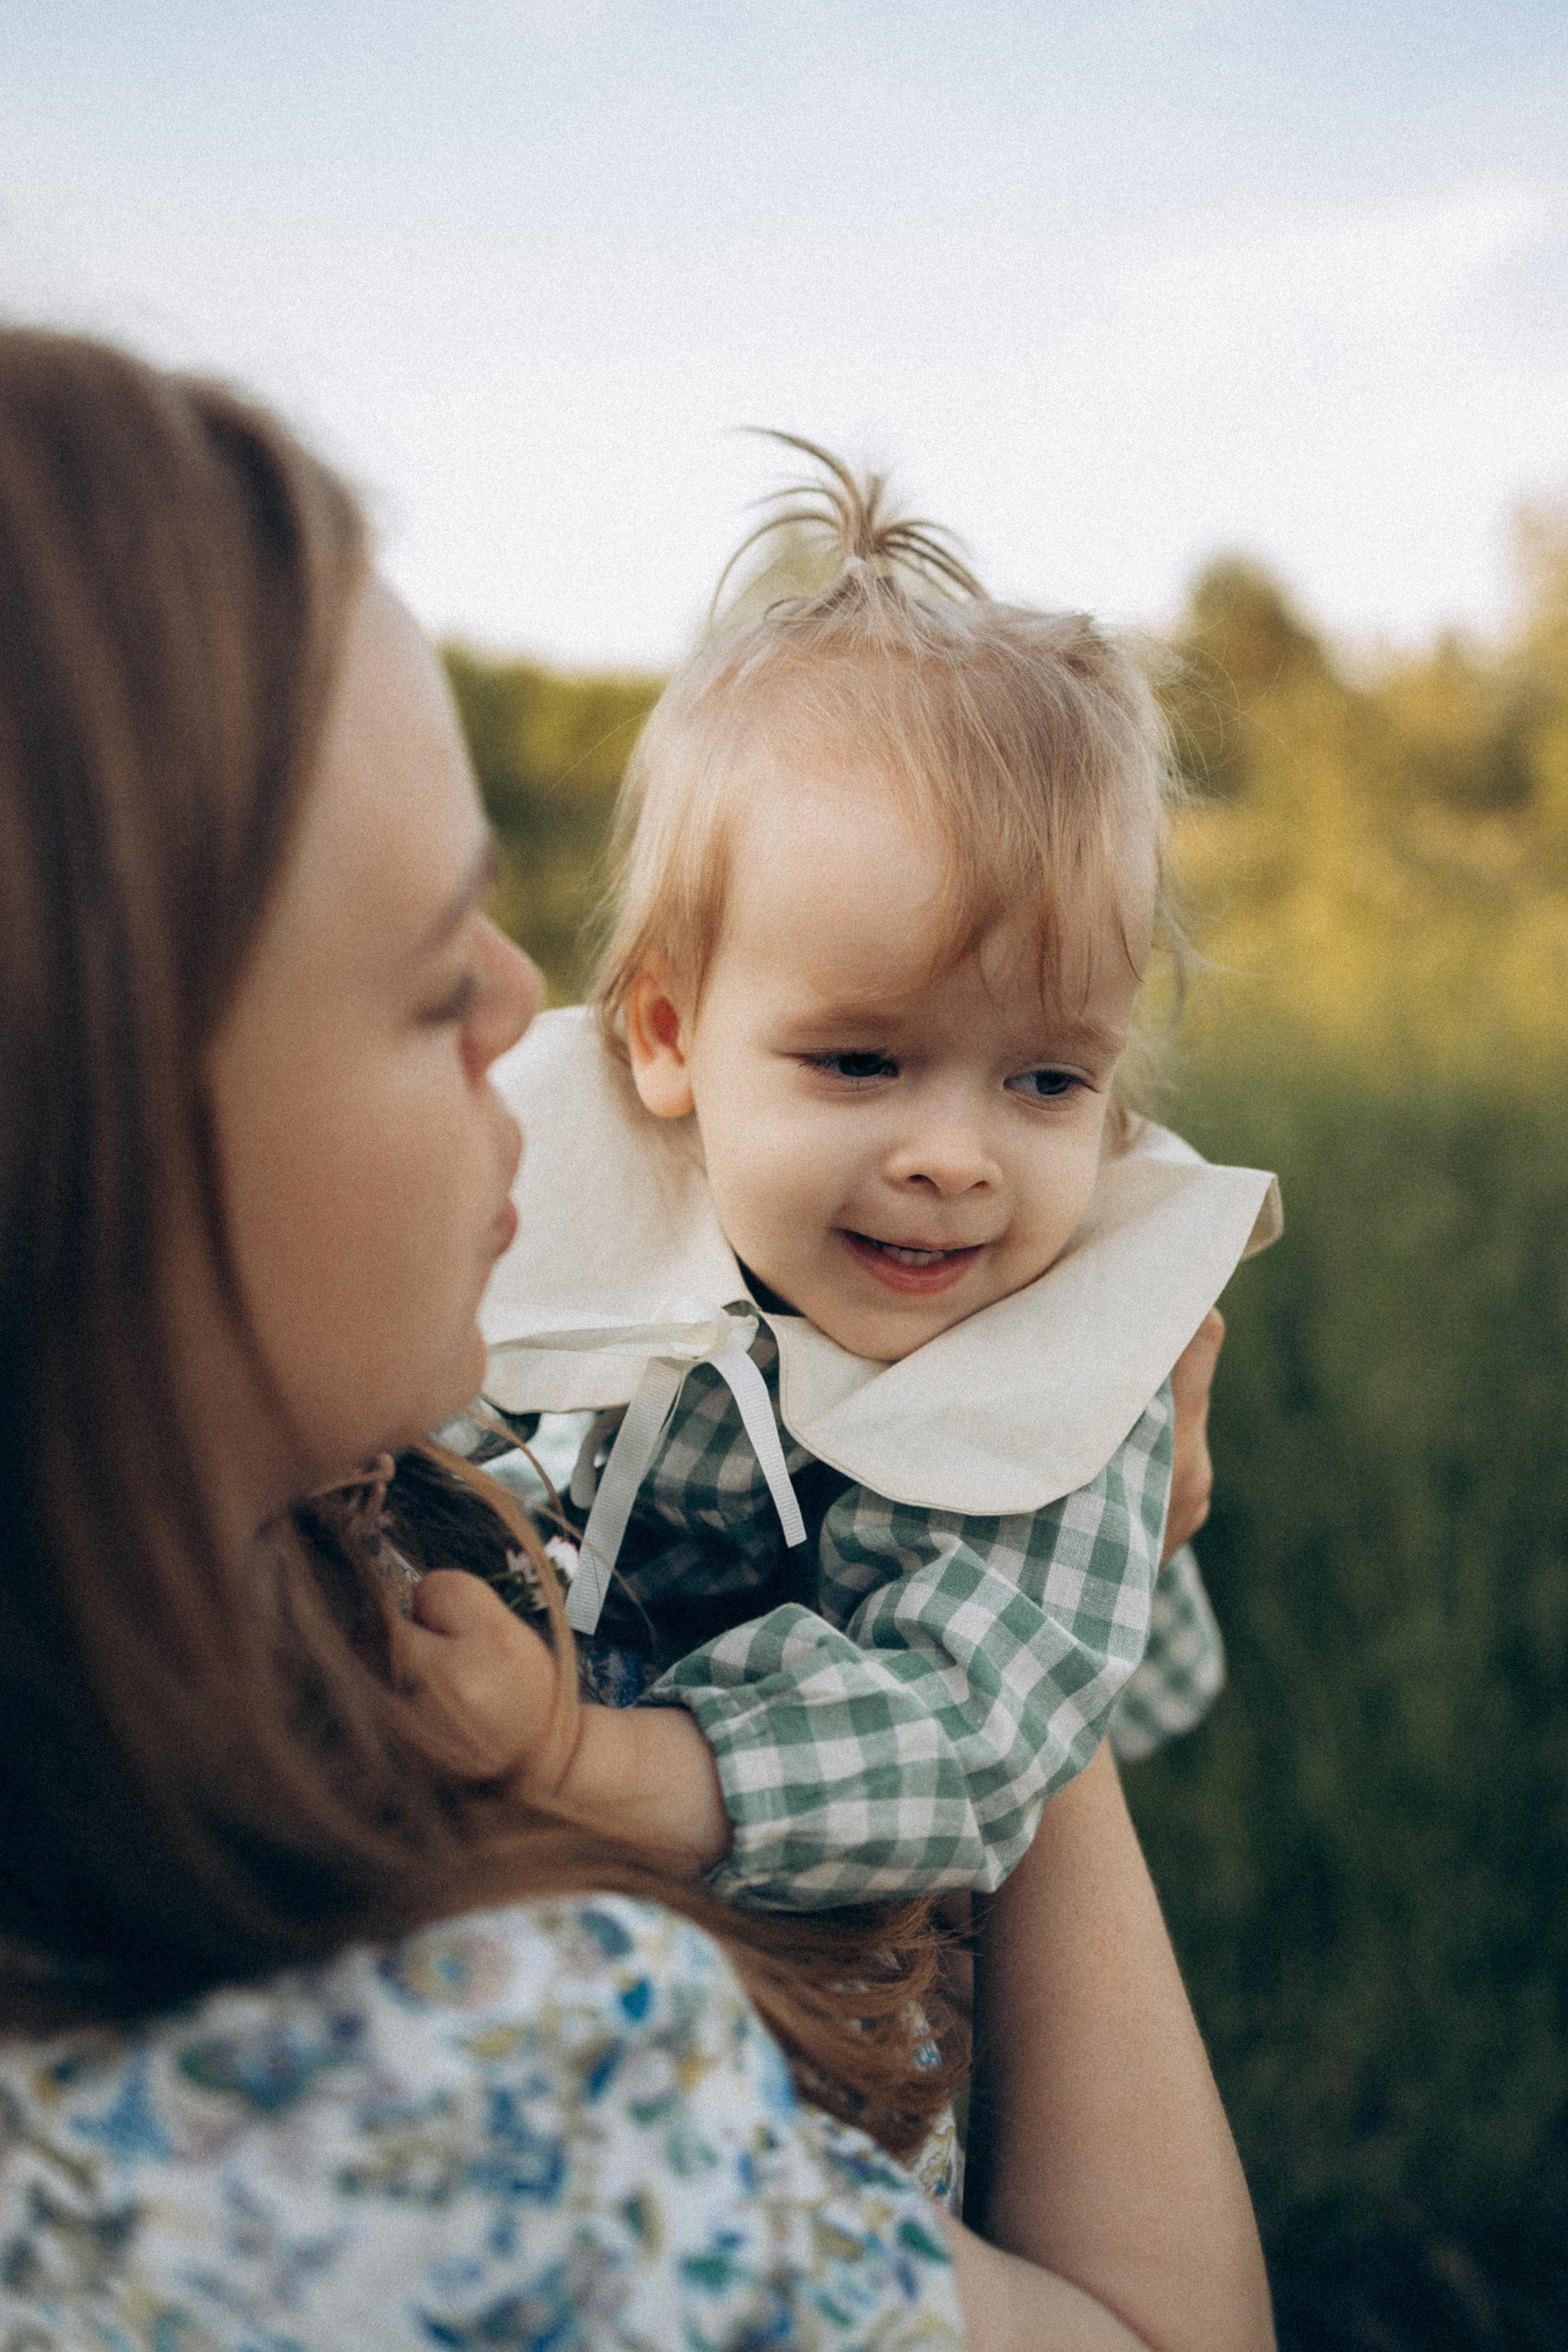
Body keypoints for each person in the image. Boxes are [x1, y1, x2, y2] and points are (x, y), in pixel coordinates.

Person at [0, 328, 1272, 2349]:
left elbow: (968, 1712)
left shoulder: (226, 1601)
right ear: (110, 1124)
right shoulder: (526, 2111)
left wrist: (1048, 1496)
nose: (536, 1007)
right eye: (436, 982)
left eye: (1051, 1086)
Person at [473, 440, 1281, 1910]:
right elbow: (405, 1439)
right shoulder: (554, 1179)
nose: (954, 1162)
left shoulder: (1069, 1348)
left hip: (854, 1918)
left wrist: (586, 1767)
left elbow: (970, 1730)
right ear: (667, 1038)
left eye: (1047, 1080)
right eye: (859, 1064)